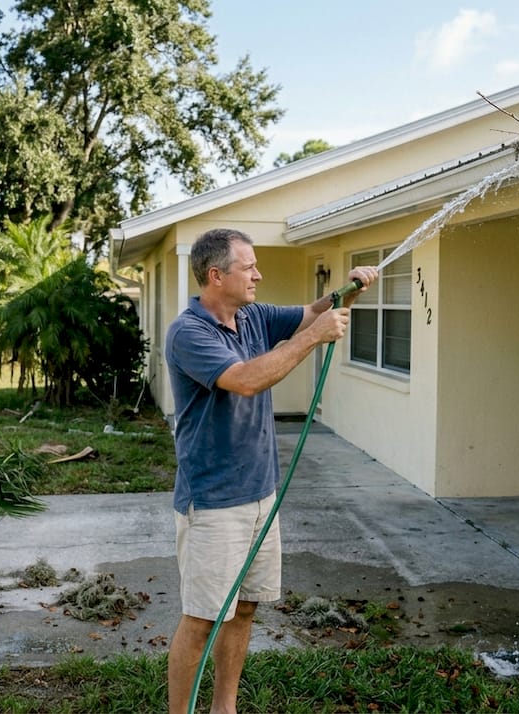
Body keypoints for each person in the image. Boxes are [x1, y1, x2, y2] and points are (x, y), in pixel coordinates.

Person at [164, 228, 378, 714]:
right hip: (214, 503)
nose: (258, 274)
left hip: (262, 495)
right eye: (249, 267)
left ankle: (225, 707)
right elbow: (245, 380)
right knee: (202, 620)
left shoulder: (254, 316)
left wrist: (347, 290)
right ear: (216, 276)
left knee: (243, 609)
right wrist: (312, 341)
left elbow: (311, 311)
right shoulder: (189, 333)